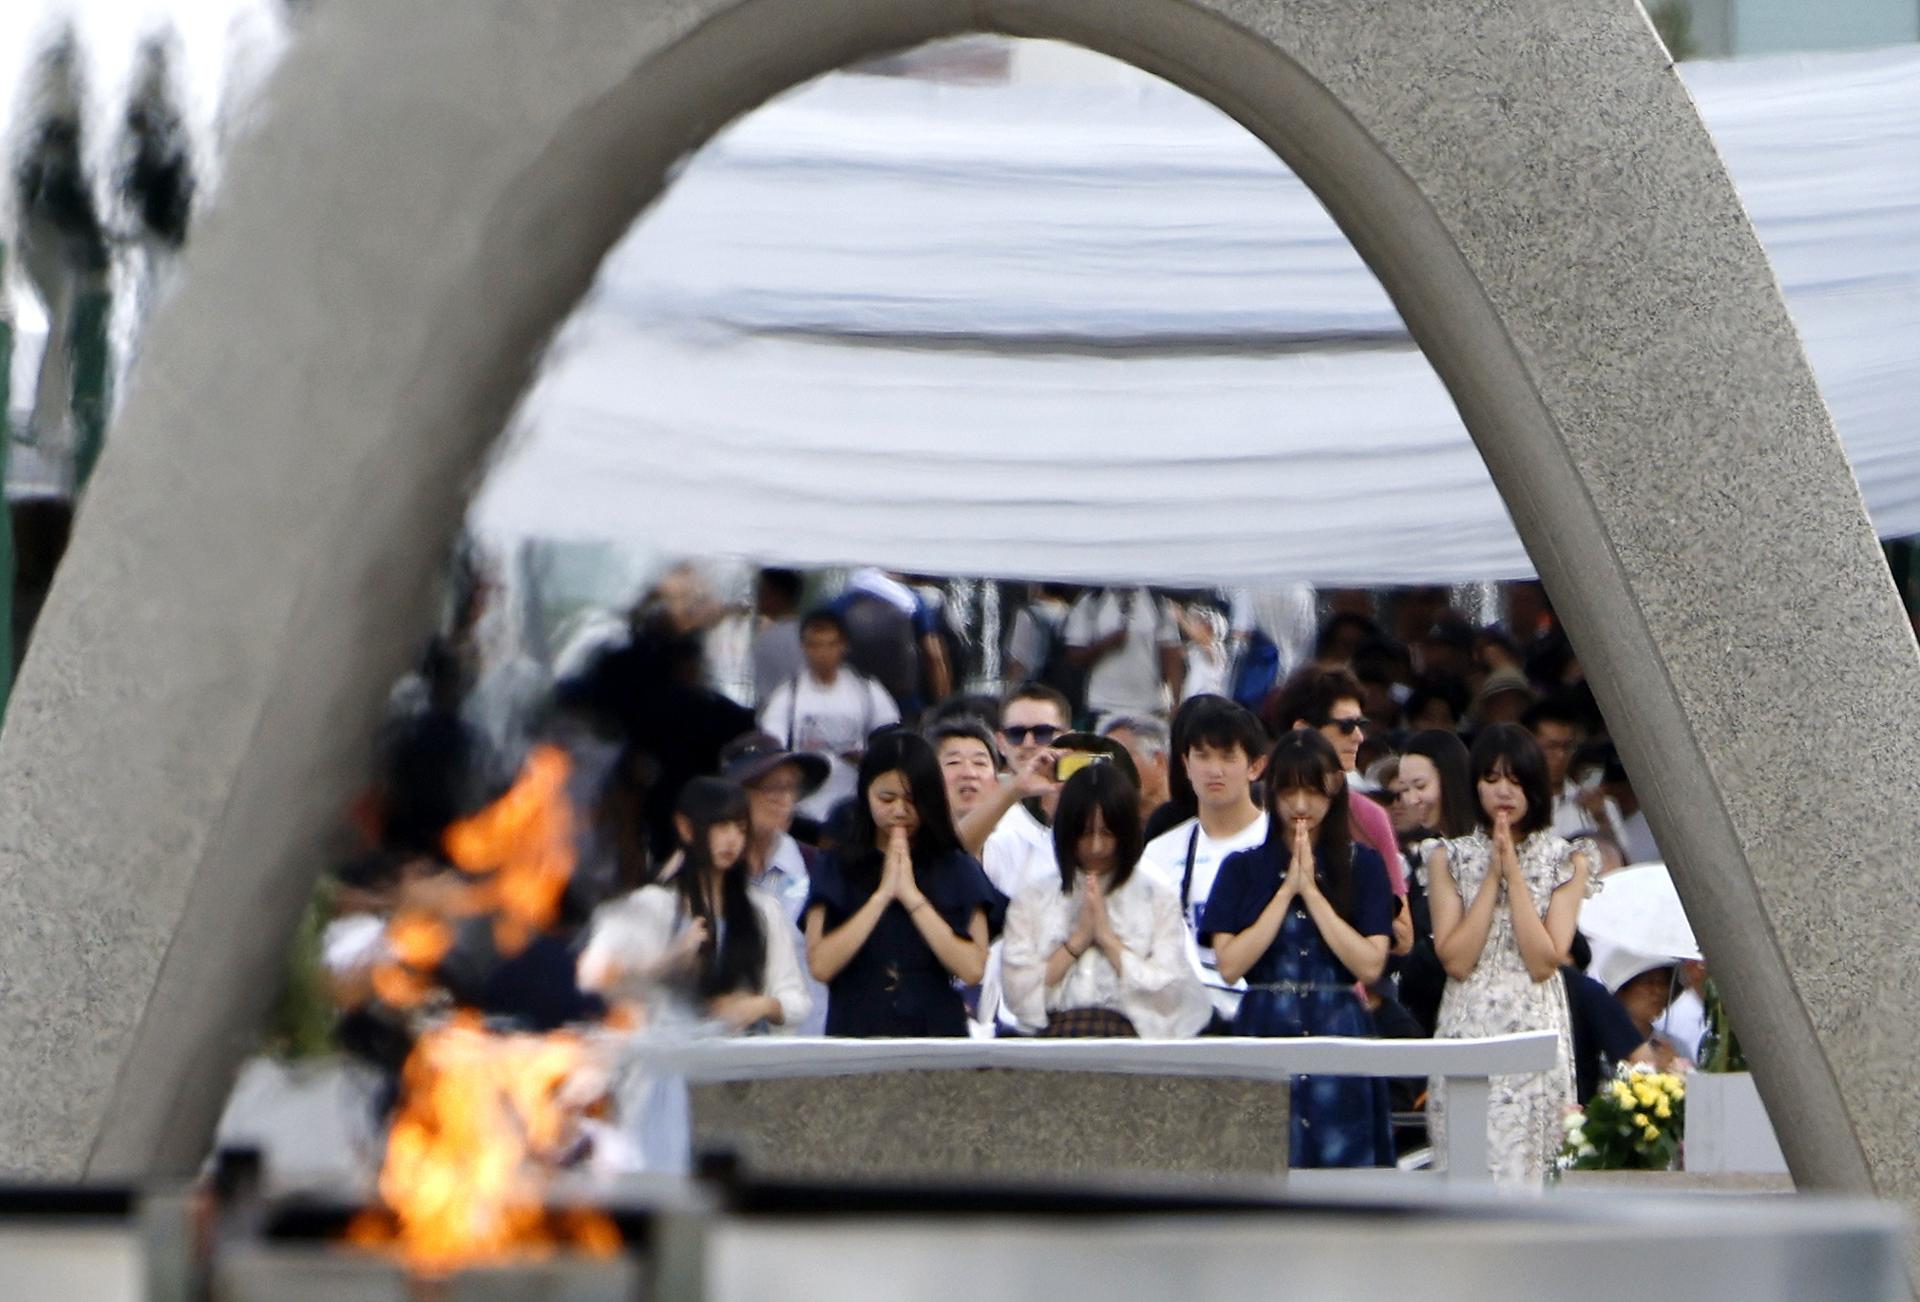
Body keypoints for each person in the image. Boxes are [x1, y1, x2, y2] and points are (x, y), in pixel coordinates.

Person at [1201, 729, 1395, 1167]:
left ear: (1335, 789)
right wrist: (1287, 891)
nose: (1301, 806)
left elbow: (1369, 964)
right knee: (1261, 1162)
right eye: (1289, 791)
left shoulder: (1362, 865)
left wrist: (1314, 895)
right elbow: (1230, 965)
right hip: (1264, 1025)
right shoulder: (1243, 867)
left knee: (1344, 1169)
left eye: (1313, 791)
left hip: (1339, 1026)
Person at [1425, 723, 1597, 1186]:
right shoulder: (1447, 857)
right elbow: (1456, 959)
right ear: (1474, 784)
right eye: (1492, 779)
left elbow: (1546, 959)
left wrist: (1514, 878)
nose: (1503, 791)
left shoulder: (1568, 858)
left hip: (1534, 1022)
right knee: (1465, 1165)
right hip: (1468, 1021)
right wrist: (1490, 879)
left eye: (1516, 780)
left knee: (1530, 1168)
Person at [802, 731, 1004, 1036]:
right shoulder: (836, 864)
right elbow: (820, 964)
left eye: (912, 801)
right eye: (886, 798)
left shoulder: (955, 865)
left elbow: (973, 968)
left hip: (934, 1030)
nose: (899, 811)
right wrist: (882, 896)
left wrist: (911, 897)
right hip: (856, 1029)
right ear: (865, 793)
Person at [577, 778, 810, 1033]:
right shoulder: (652, 904)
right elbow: (595, 978)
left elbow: (796, 999)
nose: (732, 839)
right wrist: (669, 961)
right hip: (668, 1057)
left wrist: (761, 1005)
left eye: (741, 829)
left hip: (743, 1059)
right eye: (721, 826)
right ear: (685, 827)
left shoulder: (762, 909)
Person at [1000, 764, 1210, 1038]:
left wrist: (1108, 939)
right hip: (1054, 1038)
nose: (1096, 847)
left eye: (1108, 833)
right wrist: (1078, 940)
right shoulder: (1033, 897)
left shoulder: (1156, 896)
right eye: (1085, 834)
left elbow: (1169, 991)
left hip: (1130, 1040)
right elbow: (1017, 993)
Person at [1140, 698, 1270, 1022]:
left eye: (1228, 757)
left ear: (1255, 766)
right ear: (1185, 764)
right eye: (1202, 756)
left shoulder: (1283, 845)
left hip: (1264, 1016)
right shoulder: (1157, 854)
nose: (1214, 770)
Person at [1267, 668, 1410, 943]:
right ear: (1303, 730)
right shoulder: (1258, 808)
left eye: (1361, 725)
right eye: (1346, 726)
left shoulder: (1369, 816)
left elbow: (1403, 936)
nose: (1359, 737)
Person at [719, 731, 832, 1034]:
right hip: (729, 1049)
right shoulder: (709, 874)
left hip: (813, 1045)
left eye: (791, 787)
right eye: (770, 787)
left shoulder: (817, 868)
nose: (783, 799)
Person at [757, 608, 901, 823]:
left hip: (854, 803)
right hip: (803, 809)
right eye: (815, 645)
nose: (822, 653)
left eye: (830, 644)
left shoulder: (866, 690)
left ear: (843, 645)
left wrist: (867, 758)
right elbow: (771, 749)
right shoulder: (789, 695)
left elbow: (890, 740)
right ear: (803, 647)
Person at [1388, 729, 1478, 1035]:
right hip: (1428, 1013)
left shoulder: (1486, 850)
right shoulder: (1424, 856)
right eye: (1404, 789)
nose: (1412, 800)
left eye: (1420, 786)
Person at [1064, 586, 1185, 722]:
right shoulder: (1092, 599)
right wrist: (1106, 644)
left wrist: (1176, 702)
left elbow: (1171, 654)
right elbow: (1073, 655)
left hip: (1150, 707)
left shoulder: (1157, 601)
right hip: (1102, 705)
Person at [1524, 695, 1627, 844]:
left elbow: (1623, 861)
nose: (1560, 755)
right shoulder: (1511, 806)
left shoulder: (1600, 806)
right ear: (1528, 747)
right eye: (1551, 747)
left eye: (1567, 747)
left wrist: (1601, 819)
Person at [1100, 713, 1172, 830]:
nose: (1112, 768)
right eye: (1105, 761)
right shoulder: (1105, 830)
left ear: (1159, 761)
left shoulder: (1195, 821)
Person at [930, 716, 1001, 825]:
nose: (969, 773)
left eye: (979, 763)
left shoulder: (1015, 837)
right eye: (954, 762)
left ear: (996, 781)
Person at [749, 567, 805, 703]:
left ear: (775, 594)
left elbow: (765, 695)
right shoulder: (810, 634)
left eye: (761, 591)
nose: (757, 596)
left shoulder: (766, 641)